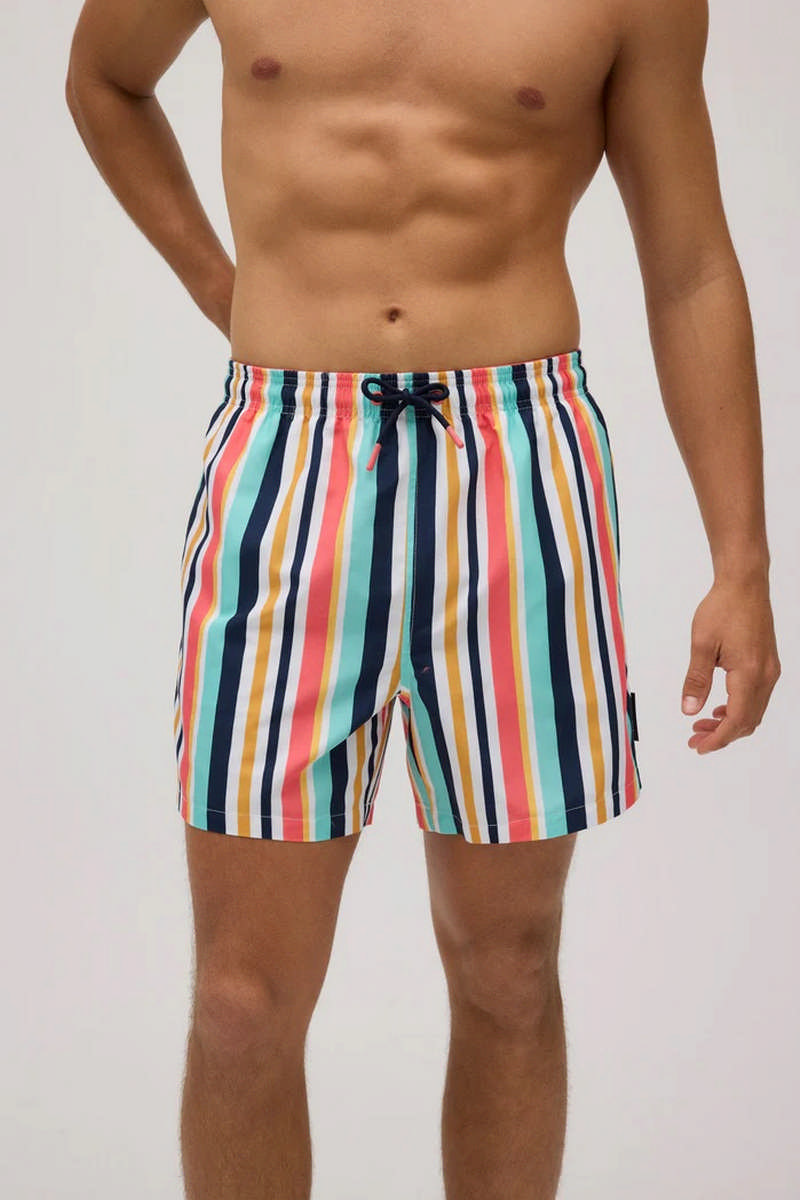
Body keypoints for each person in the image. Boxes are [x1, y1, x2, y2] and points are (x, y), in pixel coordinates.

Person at [65, 0, 781, 1195]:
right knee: (240, 1001)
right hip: (289, 457)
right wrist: (219, 286)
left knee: (507, 969)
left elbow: (688, 263)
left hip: (517, 463)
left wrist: (739, 563)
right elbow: (103, 79)